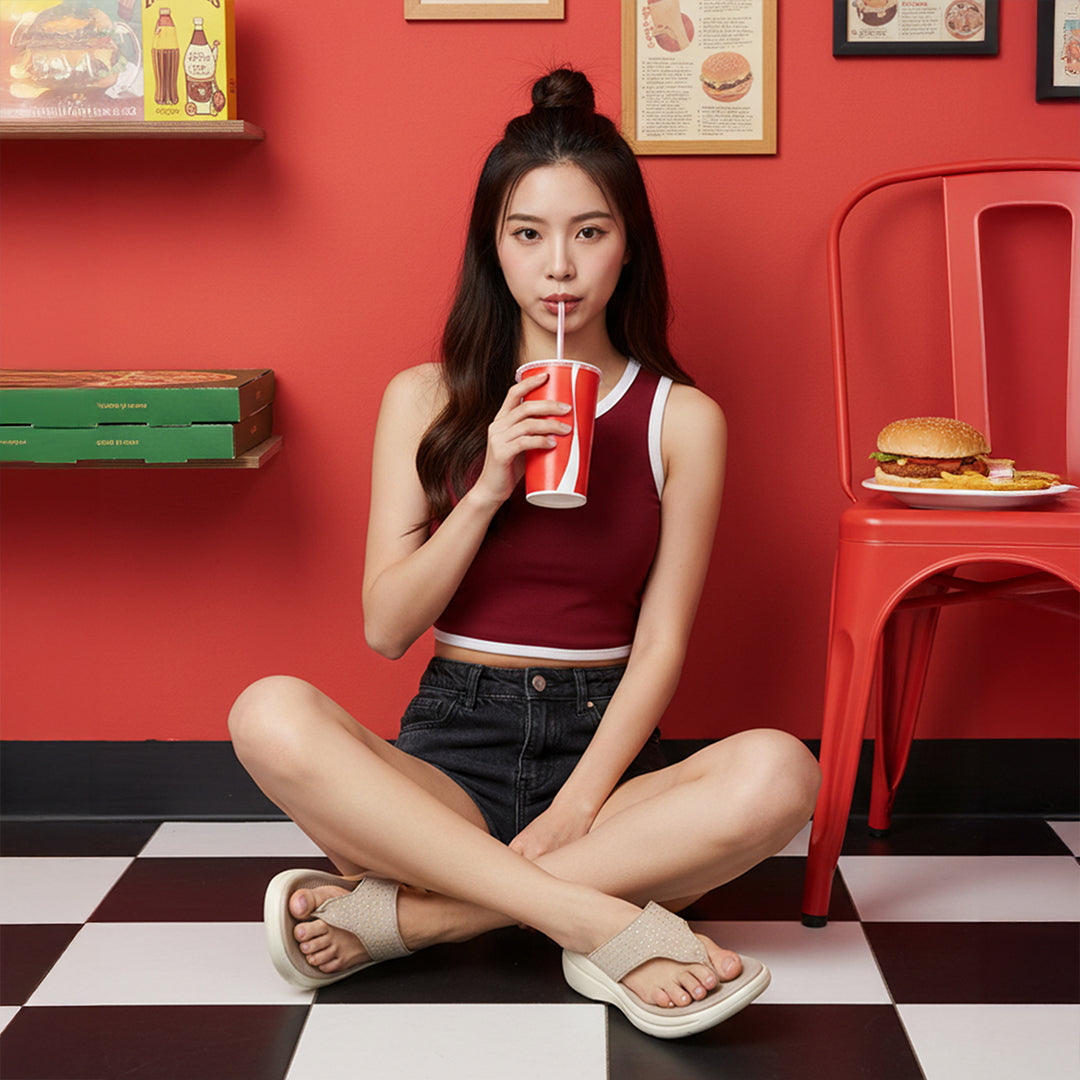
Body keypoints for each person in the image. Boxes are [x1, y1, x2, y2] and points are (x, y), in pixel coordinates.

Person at [229, 67, 821, 1040]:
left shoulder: (685, 420)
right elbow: (386, 628)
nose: (560, 267)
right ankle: (591, 917)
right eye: (528, 233)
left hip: (606, 751)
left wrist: (578, 807)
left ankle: (420, 919)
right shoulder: (425, 400)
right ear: (492, 249)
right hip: (451, 749)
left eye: (591, 232)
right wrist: (488, 487)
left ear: (628, 249)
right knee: (267, 714)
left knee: (780, 773)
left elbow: (664, 642)